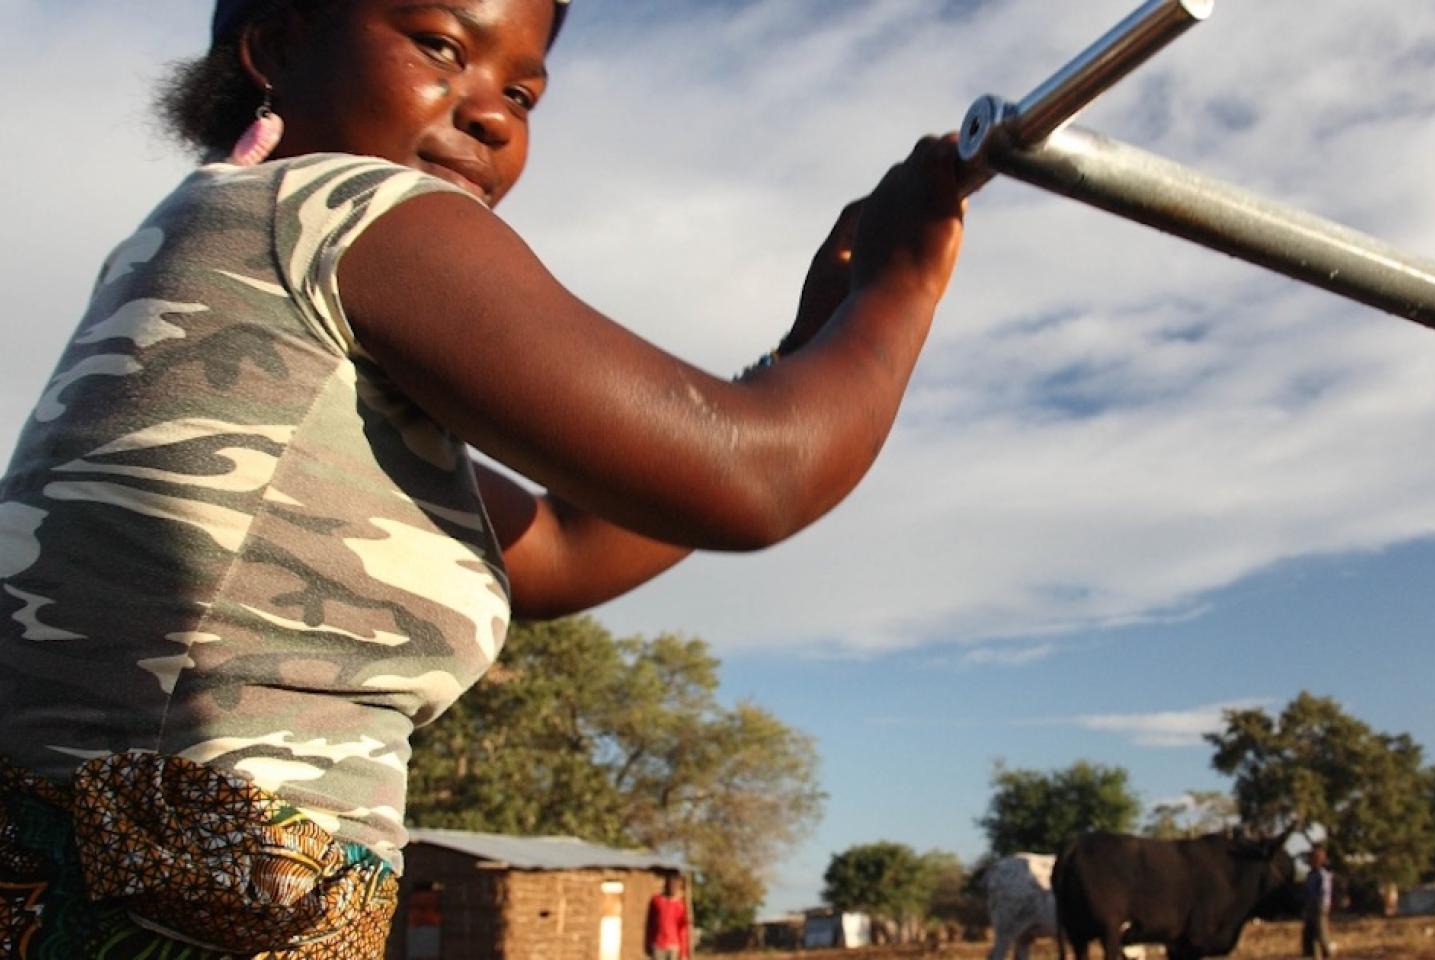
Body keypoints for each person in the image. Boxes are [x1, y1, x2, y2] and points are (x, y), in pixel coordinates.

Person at [0, 0, 964, 956]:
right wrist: (901, 286)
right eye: (441, 46)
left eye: (523, 94)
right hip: (182, 902)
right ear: (278, 45)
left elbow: (558, 549)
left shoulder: (215, 243)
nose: (493, 113)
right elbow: (756, 477)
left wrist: (806, 342)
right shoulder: (348, 209)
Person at [646, 873, 694, 960]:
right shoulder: (656, 901)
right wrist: (647, 943)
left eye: (675, 885)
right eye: (671, 884)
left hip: (673, 946)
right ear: (666, 884)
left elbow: (682, 930)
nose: (673, 887)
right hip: (658, 945)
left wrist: (683, 953)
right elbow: (650, 924)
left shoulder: (680, 905)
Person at [1300, 847, 1334, 959]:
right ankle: (1315, 956)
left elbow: (1324, 893)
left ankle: (1328, 954)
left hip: (1319, 907)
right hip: (1310, 907)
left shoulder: (1322, 875)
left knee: (1321, 933)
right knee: (1310, 935)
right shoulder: (1310, 875)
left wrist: (1319, 906)